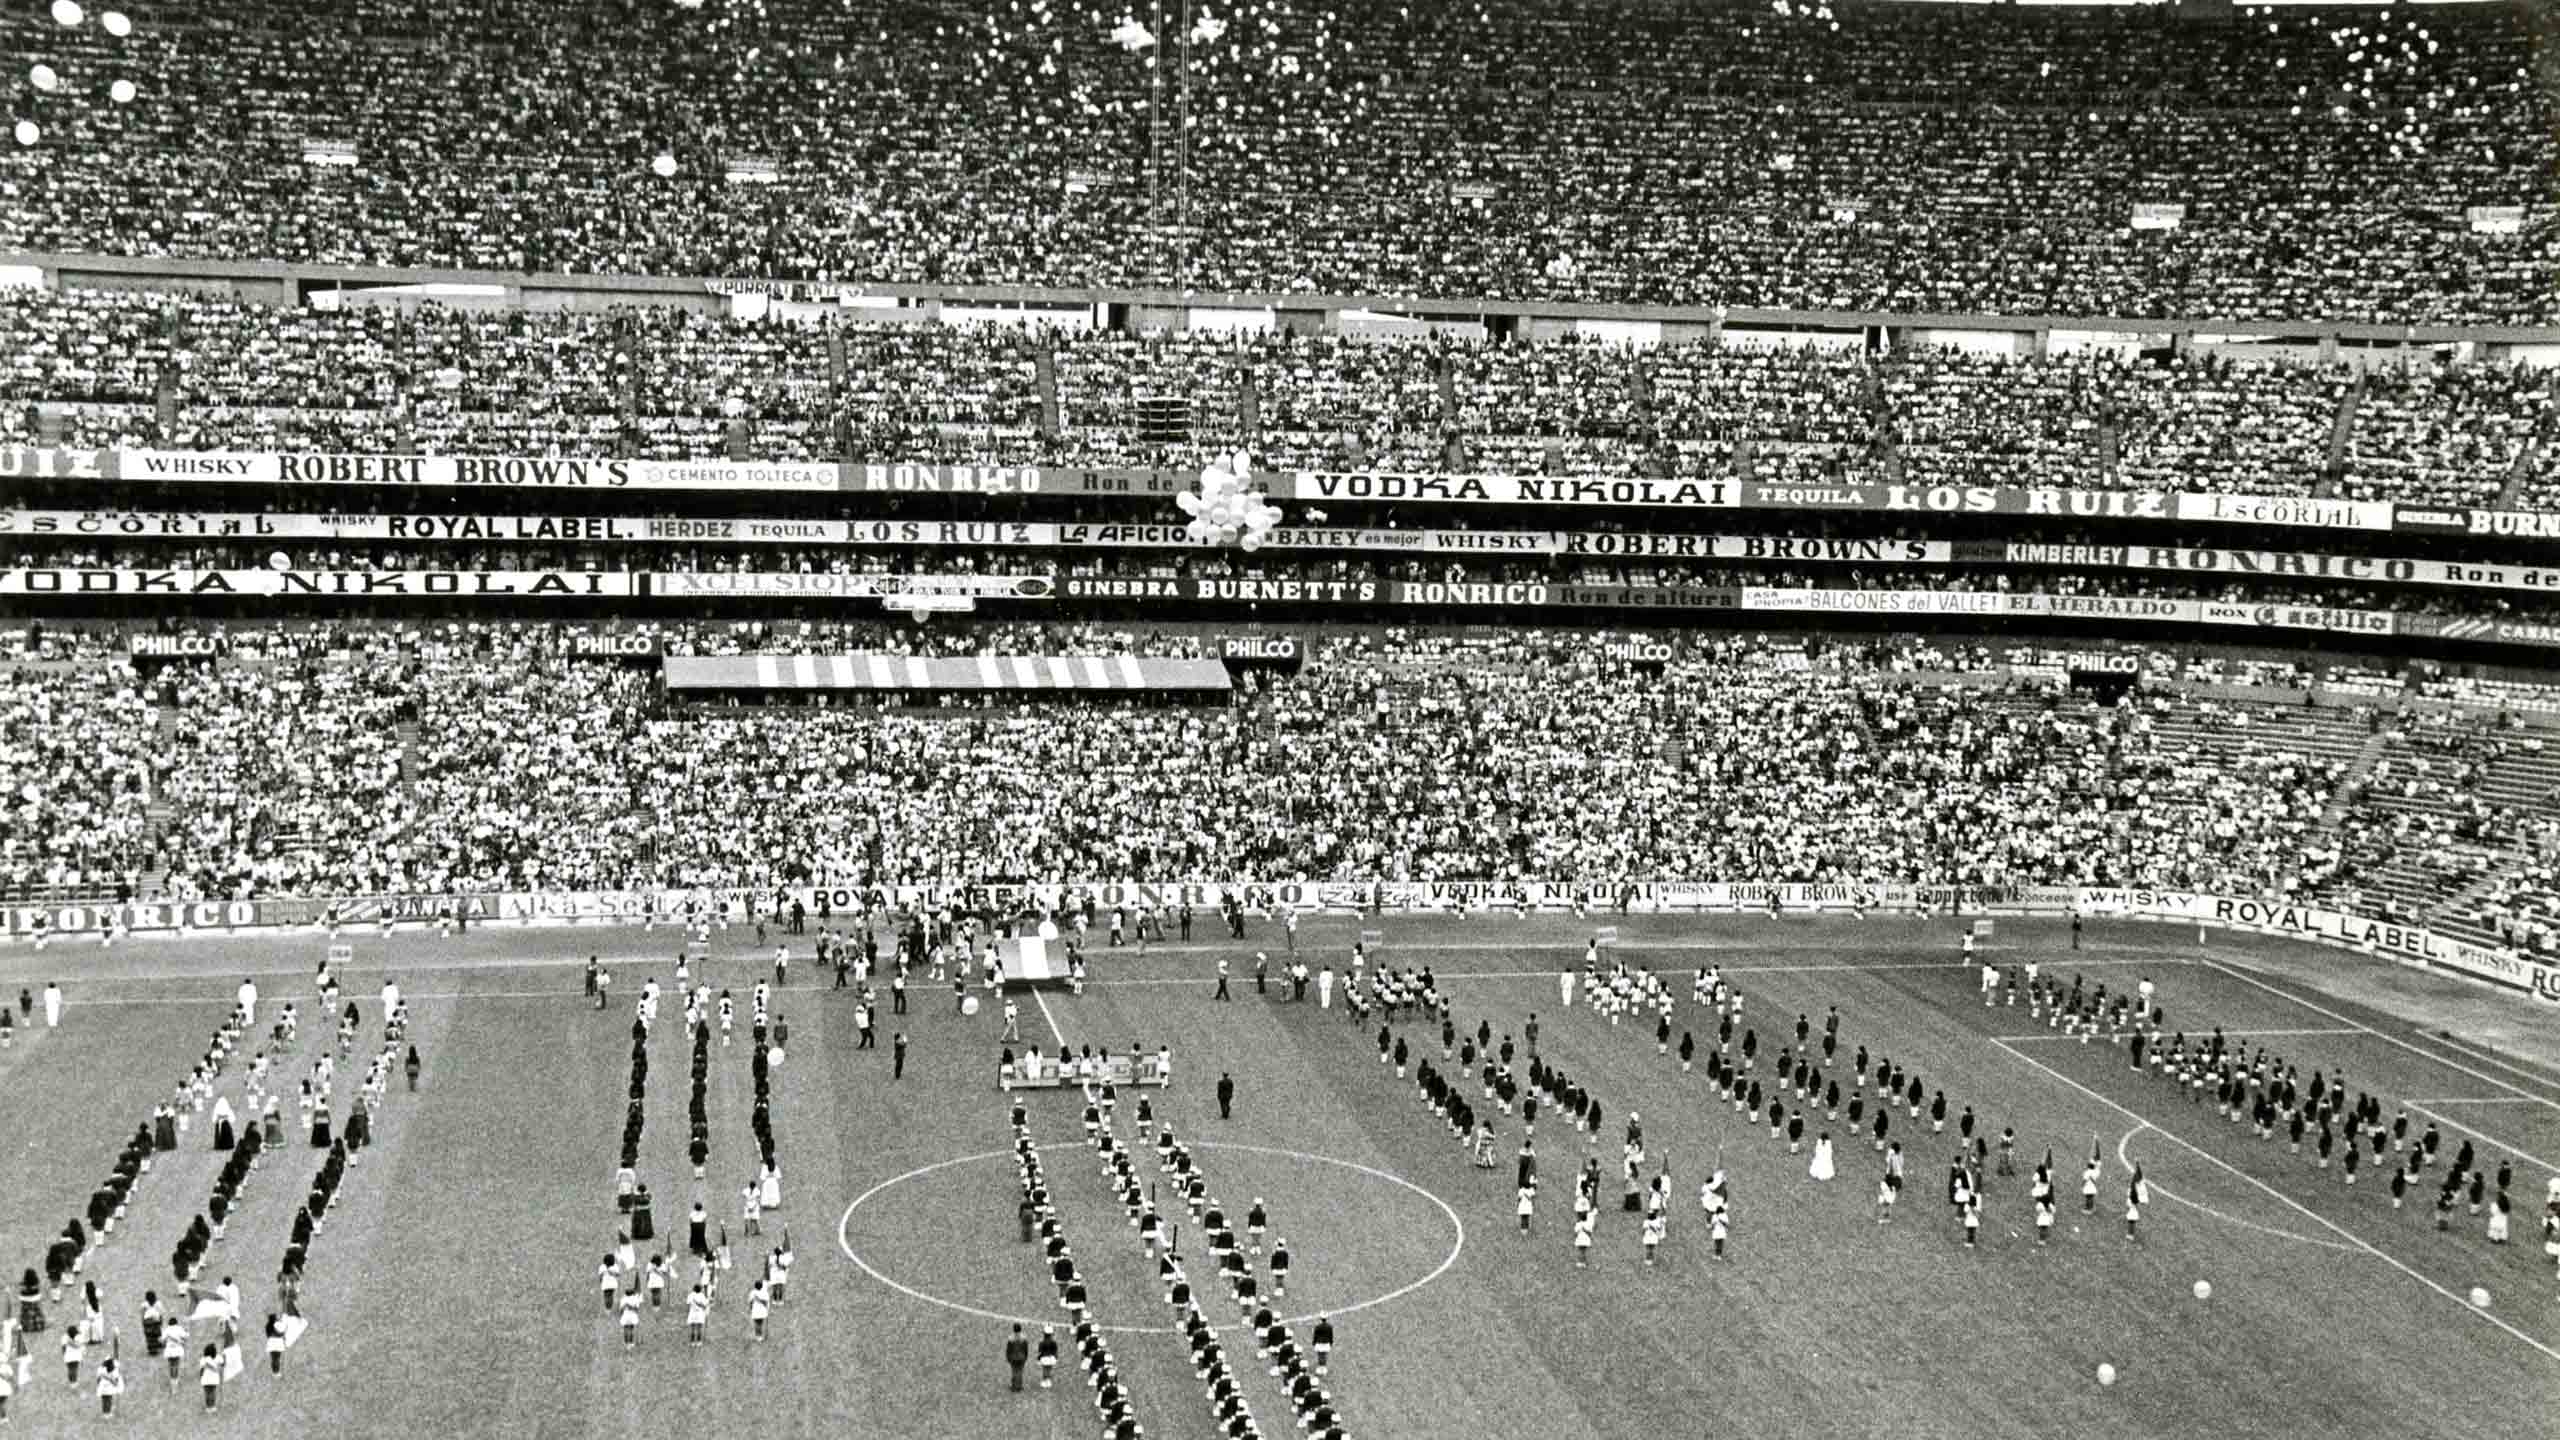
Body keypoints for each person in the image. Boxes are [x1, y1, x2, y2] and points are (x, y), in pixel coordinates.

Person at [1006, 1323, 1031, 1391]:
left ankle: (1014, 1386)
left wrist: (1008, 1357)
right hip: (1021, 1357)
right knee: (1020, 1371)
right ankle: (1019, 1386)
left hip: (1013, 1357)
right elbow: (1026, 1348)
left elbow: (1009, 1349)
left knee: (1014, 1371)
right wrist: (1026, 1356)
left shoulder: (1011, 1338)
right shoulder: (1024, 1338)